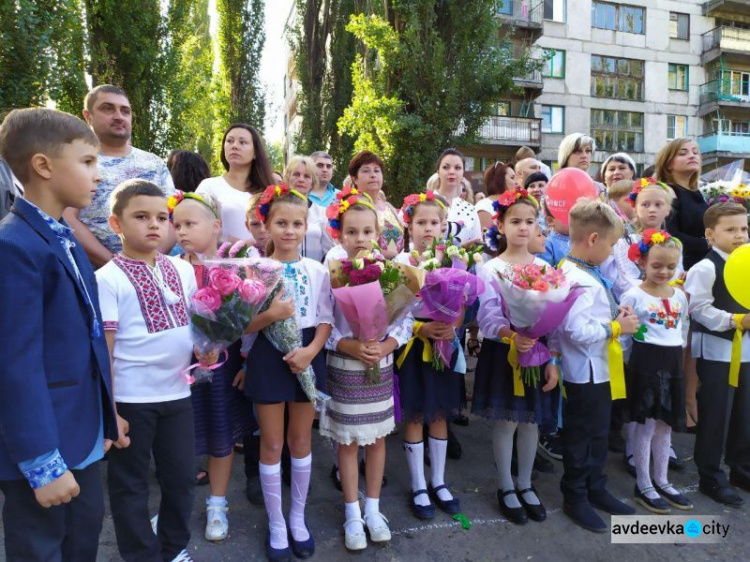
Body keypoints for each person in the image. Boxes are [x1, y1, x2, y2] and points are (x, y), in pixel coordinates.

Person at [0, 108, 117, 562]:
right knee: (42, 547)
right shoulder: (14, 247)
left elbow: (85, 339)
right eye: (87, 162)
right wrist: (42, 463)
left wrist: (105, 418)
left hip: (80, 432)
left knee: (82, 540)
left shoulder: (61, 236)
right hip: (43, 448)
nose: (98, 174)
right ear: (43, 166)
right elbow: (15, 364)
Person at [96, 180, 201, 562]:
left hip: (178, 394)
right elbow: (105, 348)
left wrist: (205, 351)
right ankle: (142, 555)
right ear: (116, 223)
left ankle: (173, 548)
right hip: (131, 400)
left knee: (181, 479)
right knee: (130, 485)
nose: (154, 225)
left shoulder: (182, 270)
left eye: (161, 217)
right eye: (141, 217)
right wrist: (111, 411)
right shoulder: (107, 278)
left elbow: (196, 326)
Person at [243, 185, 333, 560]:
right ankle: (276, 522)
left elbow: (326, 318)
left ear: (307, 226)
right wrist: (272, 316)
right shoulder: (255, 269)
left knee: (300, 441)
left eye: (297, 223)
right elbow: (243, 325)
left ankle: (297, 518)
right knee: (273, 443)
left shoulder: (317, 269)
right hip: (268, 356)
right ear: (266, 224)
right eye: (281, 222)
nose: (289, 231)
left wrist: (310, 352)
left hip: (308, 354)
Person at [320, 188, 411, 550]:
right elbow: (324, 321)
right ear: (339, 234)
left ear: (378, 232)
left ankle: (373, 509)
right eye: (352, 232)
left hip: (380, 363)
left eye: (367, 232)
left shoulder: (390, 269)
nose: (360, 239)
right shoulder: (333, 268)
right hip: (345, 363)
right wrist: (350, 345)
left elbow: (403, 319)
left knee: (376, 440)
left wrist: (386, 345)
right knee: (348, 441)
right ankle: (352, 512)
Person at [549, 199, 639, 533]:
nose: (612, 252)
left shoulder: (582, 270)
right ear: (592, 240)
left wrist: (615, 317)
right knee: (581, 435)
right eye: (611, 245)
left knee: (598, 432)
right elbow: (574, 330)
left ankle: (596, 488)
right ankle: (575, 495)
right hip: (584, 371)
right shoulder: (577, 278)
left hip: (599, 369)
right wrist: (616, 328)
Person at [170, 191, 255, 541]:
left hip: (223, 364)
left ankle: (217, 505)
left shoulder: (235, 268)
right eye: (177, 225)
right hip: (179, 368)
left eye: (190, 223)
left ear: (216, 226)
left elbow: (249, 319)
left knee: (221, 433)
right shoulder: (171, 267)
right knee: (179, 438)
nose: (182, 232)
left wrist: (244, 361)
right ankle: (175, 508)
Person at [473, 188, 558, 525]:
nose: (523, 227)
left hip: (535, 351)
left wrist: (550, 357)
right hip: (505, 352)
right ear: (502, 225)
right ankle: (506, 485)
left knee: (530, 421)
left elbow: (553, 317)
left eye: (530, 221)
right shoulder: (490, 268)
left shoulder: (544, 267)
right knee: (507, 420)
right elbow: (487, 314)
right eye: (516, 221)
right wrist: (510, 335)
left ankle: (526, 483)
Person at [394, 193, 463, 521]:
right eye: (420, 222)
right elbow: (392, 313)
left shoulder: (452, 261)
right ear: (408, 226)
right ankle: (418, 484)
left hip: (443, 350)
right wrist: (421, 330)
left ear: (443, 226)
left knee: (439, 414)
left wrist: (452, 327)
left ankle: (439, 480)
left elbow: (460, 305)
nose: (427, 228)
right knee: (416, 415)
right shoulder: (400, 265)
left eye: (434, 222)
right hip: (412, 351)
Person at [620, 232, 692, 513]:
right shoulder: (633, 294)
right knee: (646, 425)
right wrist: (630, 364)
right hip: (645, 363)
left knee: (665, 425)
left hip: (672, 362)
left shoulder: (679, 296)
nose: (664, 272)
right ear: (642, 263)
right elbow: (626, 334)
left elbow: (682, 328)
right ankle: (644, 482)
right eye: (657, 265)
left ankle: (662, 479)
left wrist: (680, 358)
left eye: (671, 267)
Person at [65, 85, 176, 267]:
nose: (118, 116)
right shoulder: (78, 161)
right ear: (88, 116)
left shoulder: (153, 163)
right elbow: (67, 218)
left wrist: (148, 264)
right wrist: (115, 265)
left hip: (152, 274)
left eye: (125, 111)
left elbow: (173, 216)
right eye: (108, 108)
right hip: (96, 275)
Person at [685, 202, 750, 508]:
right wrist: (734, 321)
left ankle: (740, 467)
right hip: (717, 351)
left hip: (746, 351)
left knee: (744, 412)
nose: (740, 235)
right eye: (732, 229)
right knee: (716, 415)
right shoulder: (705, 267)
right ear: (710, 234)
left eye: (744, 228)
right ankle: (710, 474)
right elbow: (698, 308)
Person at [658, 137, 707, 431]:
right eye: (684, 153)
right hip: (680, 275)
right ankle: (683, 410)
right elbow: (671, 236)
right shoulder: (668, 193)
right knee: (683, 346)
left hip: (701, 274)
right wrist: (708, 243)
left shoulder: (697, 193)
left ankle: (692, 405)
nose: (692, 156)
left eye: (696, 152)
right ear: (668, 162)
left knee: (694, 349)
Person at [196, 123, 273, 242]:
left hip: (265, 259)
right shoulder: (209, 186)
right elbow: (197, 226)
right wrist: (240, 245)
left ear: (255, 153)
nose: (235, 146)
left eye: (242, 142)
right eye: (230, 141)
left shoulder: (269, 190)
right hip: (222, 258)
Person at [348, 151, 404, 258]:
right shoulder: (352, 207)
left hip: (399, 270)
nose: (373, 175)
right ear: (354, 178)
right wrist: (387, 255)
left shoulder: (388, 207)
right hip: (370, 268)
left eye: (377, 171)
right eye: (366, 171)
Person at [283, 155, 334, 262]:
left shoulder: (321, 213)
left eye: (307, 176)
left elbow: (329, 250)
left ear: (312, 182)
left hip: (314, 274)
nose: (301, 179)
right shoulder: (277, 209)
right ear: (288, 178)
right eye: (296, 174)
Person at [435, 149, 482, 246]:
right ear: (438, 172)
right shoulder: (423, 203)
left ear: (463, 172)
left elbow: (477, 245)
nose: (452, 172)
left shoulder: (470, 209)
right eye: (445, 167)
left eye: (457, 168)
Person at [476, 161, 515, 230]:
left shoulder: (515, 204)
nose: (517, 182)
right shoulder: (484, 206)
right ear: (500, 179)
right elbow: (487, 238)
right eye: (512, 178)